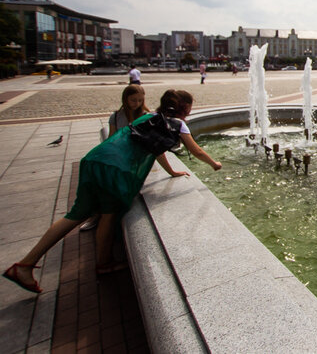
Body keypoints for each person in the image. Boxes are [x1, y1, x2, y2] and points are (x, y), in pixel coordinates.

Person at [3, 90, 222, 293]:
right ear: (185, 108)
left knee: (77, 215)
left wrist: (173, 171)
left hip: (95, 159)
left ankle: (36, 263)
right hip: (115, 169)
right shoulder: (177, 125)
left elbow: (155, 150)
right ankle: (36, 265)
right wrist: (214, 164)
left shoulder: (149, 118)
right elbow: (197, 150)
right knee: (107, 216)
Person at [82, 85, 152, 232]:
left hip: (134, 160)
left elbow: (150, 143)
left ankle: (103, 217)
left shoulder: (146, 116)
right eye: (133, 100)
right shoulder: (116, 116)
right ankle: (95, 215)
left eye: (140, 100)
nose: (137, 103)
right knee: (99, 182)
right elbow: (111, 139)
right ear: (125, 99)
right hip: (118, 157)